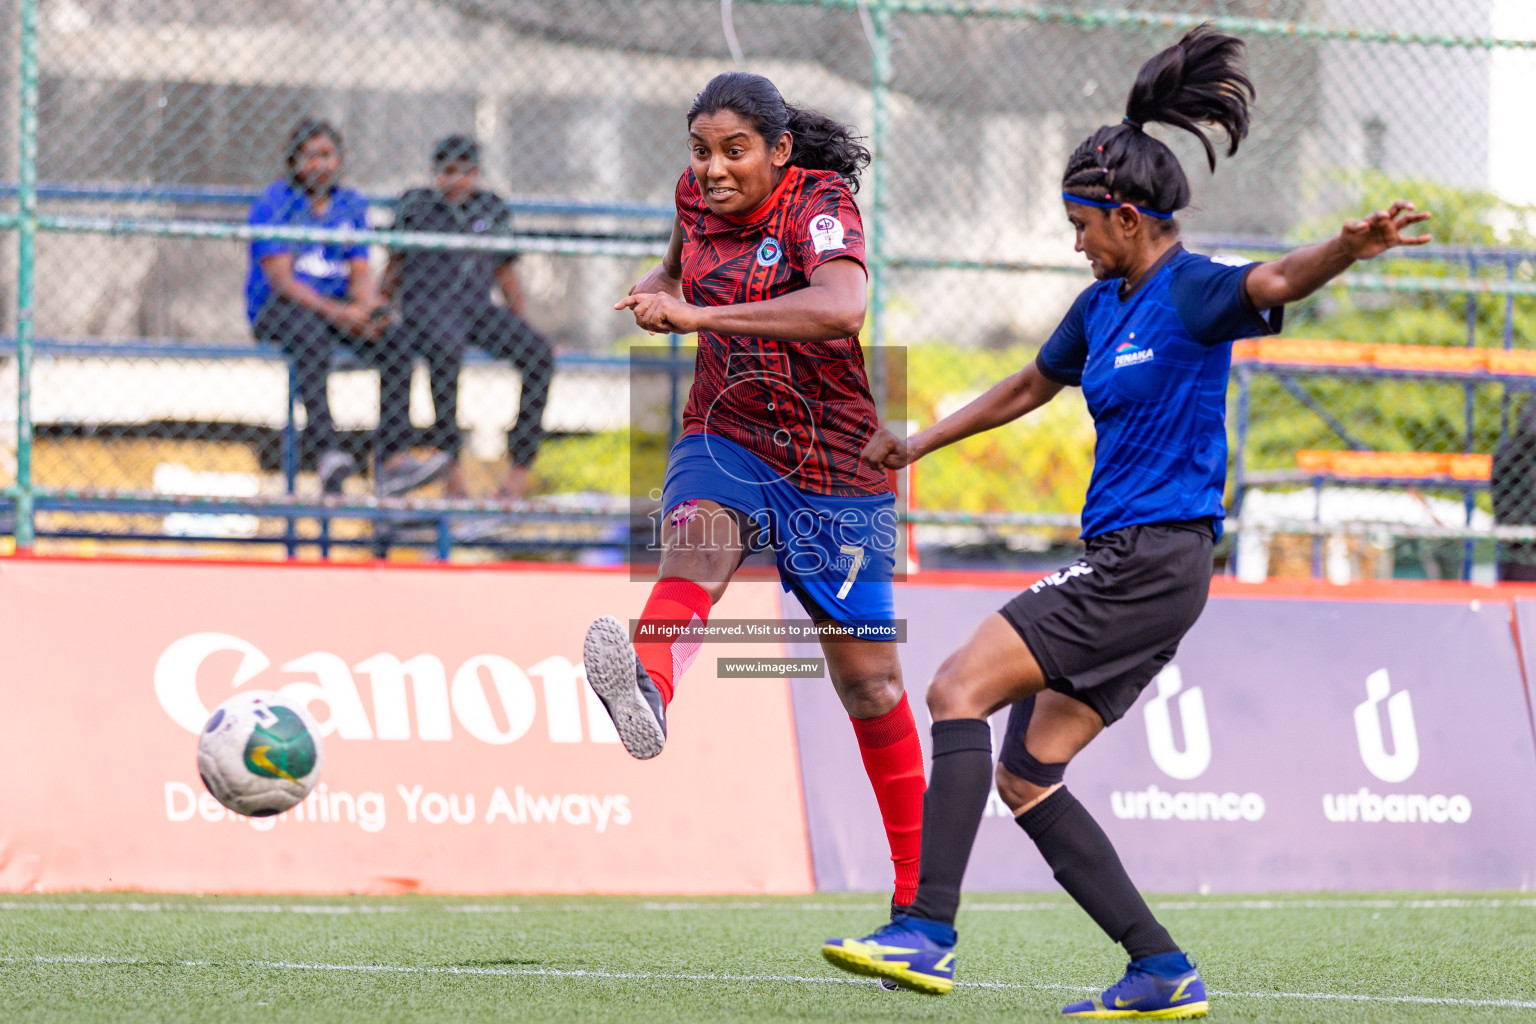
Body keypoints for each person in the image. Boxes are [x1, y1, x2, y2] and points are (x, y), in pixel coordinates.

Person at [821, 25, 1431, 1016]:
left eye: (1082, 223)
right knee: (1028, 772)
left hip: (1152, 562)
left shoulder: (1192, 289)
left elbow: (1274, 283)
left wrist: (1348, 249)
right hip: (1131, 562)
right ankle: (1161, 968)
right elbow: (1031, 383)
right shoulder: (1103, 303)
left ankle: (927, 929)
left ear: (1130, 216)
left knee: (953, 684)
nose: (1076, 241)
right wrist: (918, 442)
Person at [583, 72, 926, 915]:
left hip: (834, 463)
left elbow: (843, 308)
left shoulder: (819, 199)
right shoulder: (691, 202)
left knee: (871, 685)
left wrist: (701, 319)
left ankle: (921, 903)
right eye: (700, 151)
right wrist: (658, 295)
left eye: (734, 151)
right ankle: (650, 688)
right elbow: (671, 274)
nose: (713, 169)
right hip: (726, 431)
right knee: (696, 535)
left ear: (778, 151)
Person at [376, 134, 553, 499]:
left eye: (465, 172)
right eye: (448, 172)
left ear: (476, 174)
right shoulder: (416, 204)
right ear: (434, 173)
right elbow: (394, 266)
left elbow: (506, 273)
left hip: (475, 307)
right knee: (446, 349)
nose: (456, 181)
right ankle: (450, 470)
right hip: (426, 305)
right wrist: (380, 307)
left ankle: (517, 473)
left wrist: (520, 321)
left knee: (538, 353)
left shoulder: (490, 208)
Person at [246, 118, 385, 494]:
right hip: (282, 308)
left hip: (333, 306)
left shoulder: (351, 203)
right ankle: (328, 452)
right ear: (294, 162)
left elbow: (360, 268)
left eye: (327, 155)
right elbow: (283, 281)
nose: (320, 165)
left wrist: (367, 310)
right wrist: (341, 314)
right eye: (310, 157)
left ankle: (394, 457)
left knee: (396, 339)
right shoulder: (275, 202)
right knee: (308, 336)